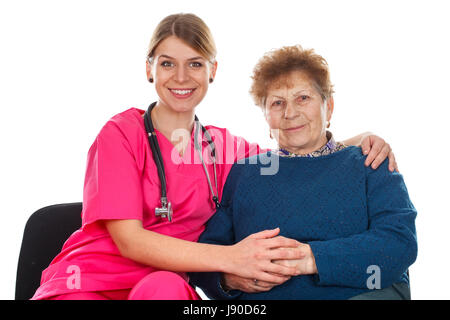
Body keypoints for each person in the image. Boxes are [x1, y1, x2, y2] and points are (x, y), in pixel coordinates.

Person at [32, 14, 398, 300]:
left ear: (212, 71)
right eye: (166, 63)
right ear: (149, 69)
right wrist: (232, 260)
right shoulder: (120, 133)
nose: (180, 76)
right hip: (91, 281)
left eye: (194, 63)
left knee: (165, 289)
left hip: (164, 287)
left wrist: (360, 139)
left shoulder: (224, 150)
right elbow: (131, 242)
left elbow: (298, 153)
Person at [189, 45, 417, 300]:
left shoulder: (370, 162)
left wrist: (312, 258)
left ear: (328, 107)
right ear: (266, 117)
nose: (290, 113)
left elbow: (399, 244)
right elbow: (207, 256)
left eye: (303, 98)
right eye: (277, 103)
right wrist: (227, 278)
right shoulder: (246, 173)